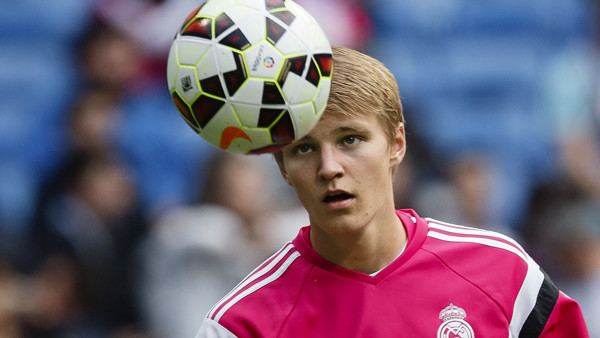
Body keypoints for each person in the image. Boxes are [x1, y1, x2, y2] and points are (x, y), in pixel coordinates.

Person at [194, 47, 589, 337]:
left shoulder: (503, 272)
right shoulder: (241, 324)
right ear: (282, 167)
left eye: (350, 139)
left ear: (397, 145)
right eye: (304, 148)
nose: (329, 167)